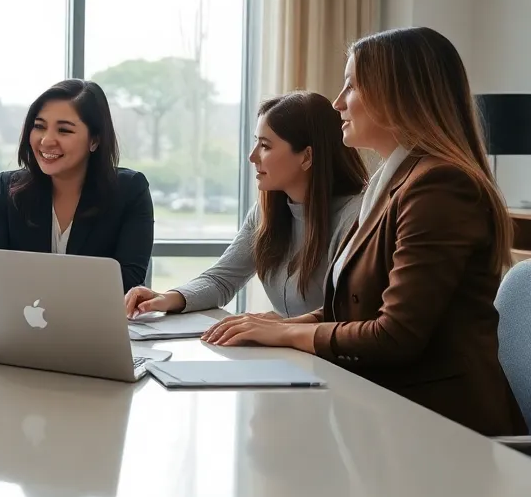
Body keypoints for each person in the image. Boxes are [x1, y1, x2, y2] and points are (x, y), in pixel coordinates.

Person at [204, 26, 526, 436]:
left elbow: (394, 335)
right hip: (386, 410)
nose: (337, 102)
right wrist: (282, 326)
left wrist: (287, 332)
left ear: (397, 95)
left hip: (441, 427)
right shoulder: (389, 184)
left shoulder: (440, 186)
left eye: (351, 86)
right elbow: (356, 309)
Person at [125, 92, 366, 318]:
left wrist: (275, 328)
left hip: (321, 351)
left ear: (306, 156)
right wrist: (167, 298)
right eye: (256, 143)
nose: (252, 156)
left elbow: (346, 316)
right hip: (283, 347)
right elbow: (221, 280)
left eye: (265, 146)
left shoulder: (356, 216)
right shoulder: (266, 212)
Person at [0, 79, 154, 291]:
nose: (46, 140)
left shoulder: (130, 190)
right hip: (18, 313)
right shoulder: (7, 189)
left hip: (94, 313)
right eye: (39, 126)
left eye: (64, 130)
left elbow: (128, 281)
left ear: (94, 140)